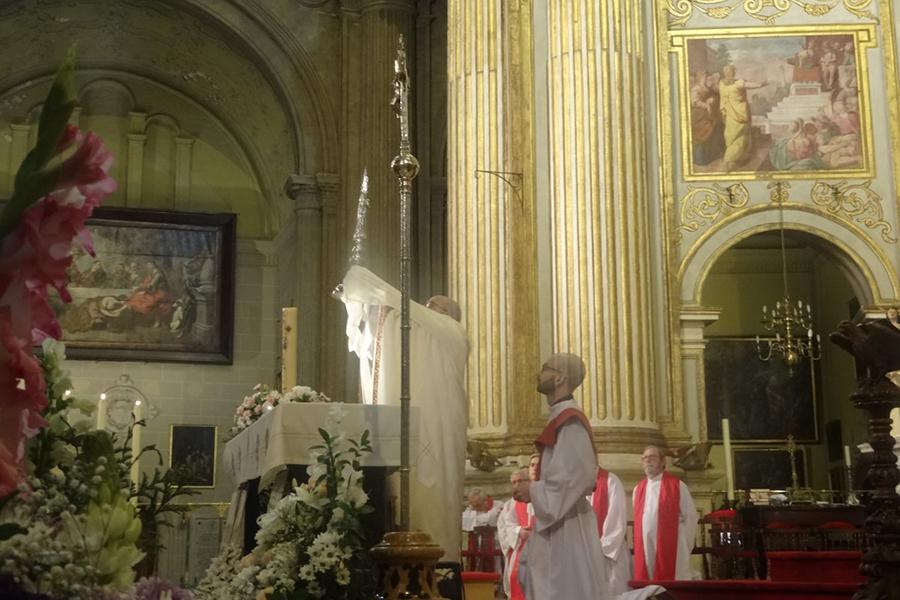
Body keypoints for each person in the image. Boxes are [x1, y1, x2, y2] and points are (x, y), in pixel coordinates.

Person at [340, 264, 470, 563]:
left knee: (435, 493)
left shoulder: (452, 333)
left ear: (448, 315)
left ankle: (439, 566)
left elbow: (402, 309)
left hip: (441, 424)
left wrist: (363, 282)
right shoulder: (424, 328)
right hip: (418, 421)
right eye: (425, 306)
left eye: (432, 306)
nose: (424, 309)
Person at [516, 353, 609, 600]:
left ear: (560, 378)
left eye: (545, 368)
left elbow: (574, 476)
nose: (539, 373)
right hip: (557, 520)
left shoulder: (570, 421)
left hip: (566, 525)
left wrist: (532, 491)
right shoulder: (560, 417)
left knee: (563, 589)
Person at [632, 445, 698, 581]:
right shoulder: (638, 489)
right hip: (645, 546)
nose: (647, 461)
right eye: (644, 458)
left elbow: (690, 517)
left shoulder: (677, 486)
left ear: (663, 461)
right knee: (648, 582)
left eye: (652, 457)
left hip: (672, 548)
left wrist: (684, 545)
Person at [589, 465, 632, 596]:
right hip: (587, 557)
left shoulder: (611, 481)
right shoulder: (577, 483)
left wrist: (598, 550)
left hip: (609, 556)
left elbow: (616, 520)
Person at [718, 64, 766, 171]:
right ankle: (729, 160)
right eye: (733, 71)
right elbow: (755, 85)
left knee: (731, 135)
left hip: (729, 114)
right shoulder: (738, 83)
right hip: (740, 114)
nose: (734, 72)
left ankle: (734, 159)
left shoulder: (721, 84)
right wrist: (763, 83)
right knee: (740, 137)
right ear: (731, 72)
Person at [497, 469, 533, 600]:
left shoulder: (539, 498)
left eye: (520, 481)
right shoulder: (509, 506)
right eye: (513, 482)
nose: (516, 485)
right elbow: (504, 529)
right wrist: (519, 531)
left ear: (529, 481)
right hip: (519, 549)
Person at [461, 487, 502, 572]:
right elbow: (464, 521)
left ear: (485, 501)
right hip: (475, 548)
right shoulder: (470, 509)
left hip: (495, 546)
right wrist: (487, 517)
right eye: (473, 504)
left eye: (477, 505)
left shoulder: (498, 506)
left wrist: (476, 519)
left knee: (496, 571)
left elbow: (492, 519)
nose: (475, 508)